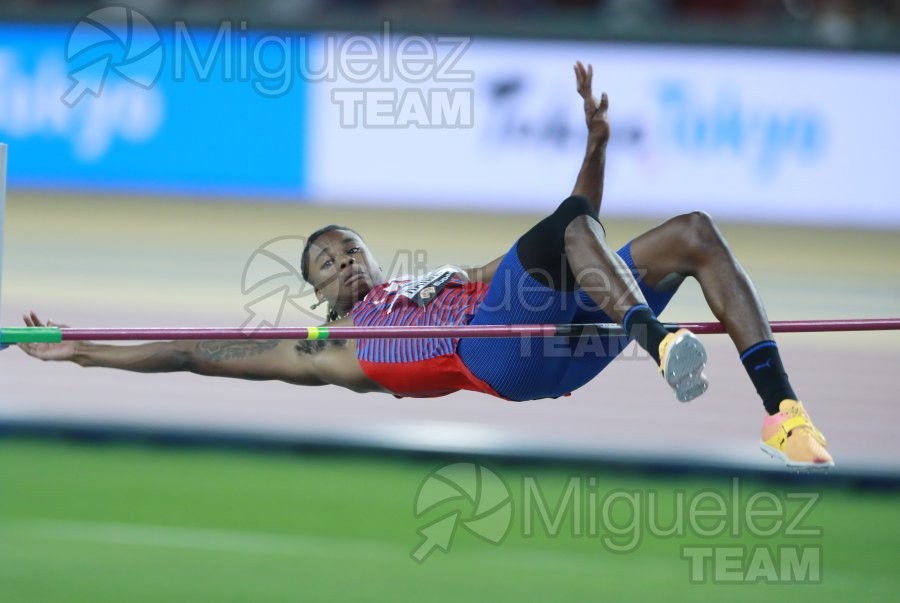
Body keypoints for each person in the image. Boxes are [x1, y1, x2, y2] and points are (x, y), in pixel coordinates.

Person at [18, 62, 832, 470]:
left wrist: (595, 148)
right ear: (317, 292)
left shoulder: (434, 282)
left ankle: (784, 416)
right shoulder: (329, 347)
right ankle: (659, 344)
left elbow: (577, 231)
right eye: (325, 261)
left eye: (348, 246)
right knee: (559, 236)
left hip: (567, 339)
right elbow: (195, 354)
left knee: (692, 232)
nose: (342, 260)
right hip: (499, 353)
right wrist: (82, 349)